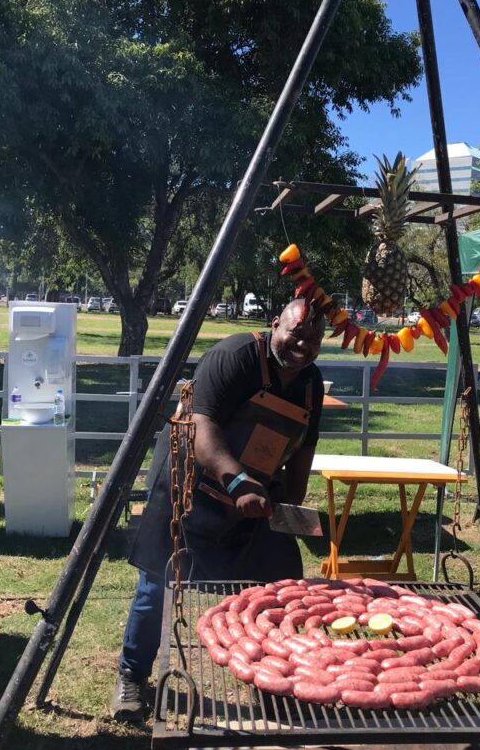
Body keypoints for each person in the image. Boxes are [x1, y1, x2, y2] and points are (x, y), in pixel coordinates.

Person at [110, 298, 326, 721]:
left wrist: (291, 506)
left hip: (255, 497)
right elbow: (200, 427)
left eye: (315, 337)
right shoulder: (234, 356)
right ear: (274, 323)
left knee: (278, 587)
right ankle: (132, 677)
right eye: (296, 332)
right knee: (159, 584)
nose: (304, 343)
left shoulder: (310, 383)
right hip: (192, 486)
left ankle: (270, 682)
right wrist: (238, 481)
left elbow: (305, 449)